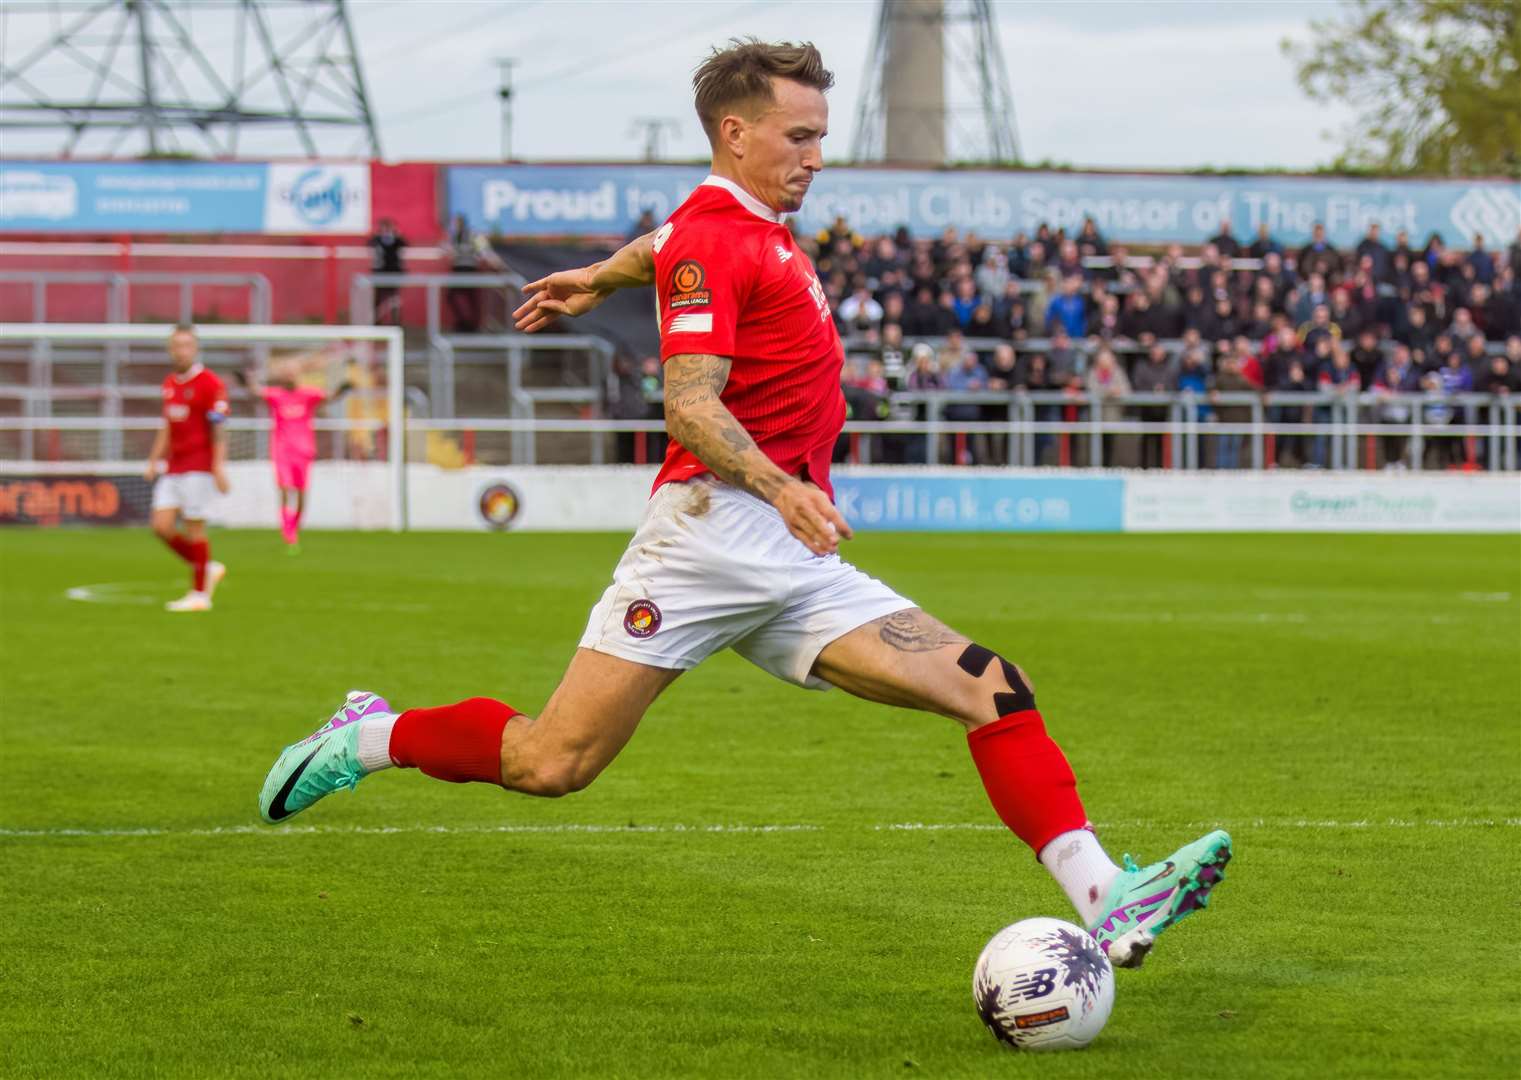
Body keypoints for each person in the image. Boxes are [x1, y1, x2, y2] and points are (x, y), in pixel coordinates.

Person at [257, 39, 1231, 968]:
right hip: (710, 540)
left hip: (791, 555)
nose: (816, 158)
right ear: (735, 133)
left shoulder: (733, 227)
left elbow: (667, 243)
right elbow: (687, 404)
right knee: (551, 762)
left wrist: (597, 278)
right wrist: (779, 486)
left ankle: (1108, 896)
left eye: (819, 136)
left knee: (991, 685)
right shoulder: (720, 240)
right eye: (796, 137)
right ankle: (370, 735)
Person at [143, 324, 229, 612]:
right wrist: (154, 459)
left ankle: (199, 596)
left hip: (198, 466)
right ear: (170, 349)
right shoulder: (169, 383)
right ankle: (206, 566)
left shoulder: (209, 383)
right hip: (174, 466)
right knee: (161, 526)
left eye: (186, 345)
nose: (181, 351)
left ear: (195, 348)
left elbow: (219, 426)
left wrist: (218, 466)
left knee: (195, 528)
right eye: (177, 346)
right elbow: (167, 423)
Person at [242, 348, 348, 551]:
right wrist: (246, 381)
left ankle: (295, 525)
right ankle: (287, 529)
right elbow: (257, 392)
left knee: (300, 492)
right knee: (283, 488)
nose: (288, 374)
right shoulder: (276, 395)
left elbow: (329, 396)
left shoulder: (308, 395)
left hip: (304, 450)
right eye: (285, 371)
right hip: (281, 449)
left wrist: (342, 390)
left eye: (292, 371)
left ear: (298, 374)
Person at [368, 218, 406, 324]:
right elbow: (370, 243)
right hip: (380, 274)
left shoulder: (397, 240)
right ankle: (376, 322)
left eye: (387, 228)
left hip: (393, 274)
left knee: (394, 299)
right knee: (378, 299)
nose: (386, 231)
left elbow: (404, 244)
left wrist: (397, 234)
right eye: (383, 228)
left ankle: (396, 322)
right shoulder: (377, 240)